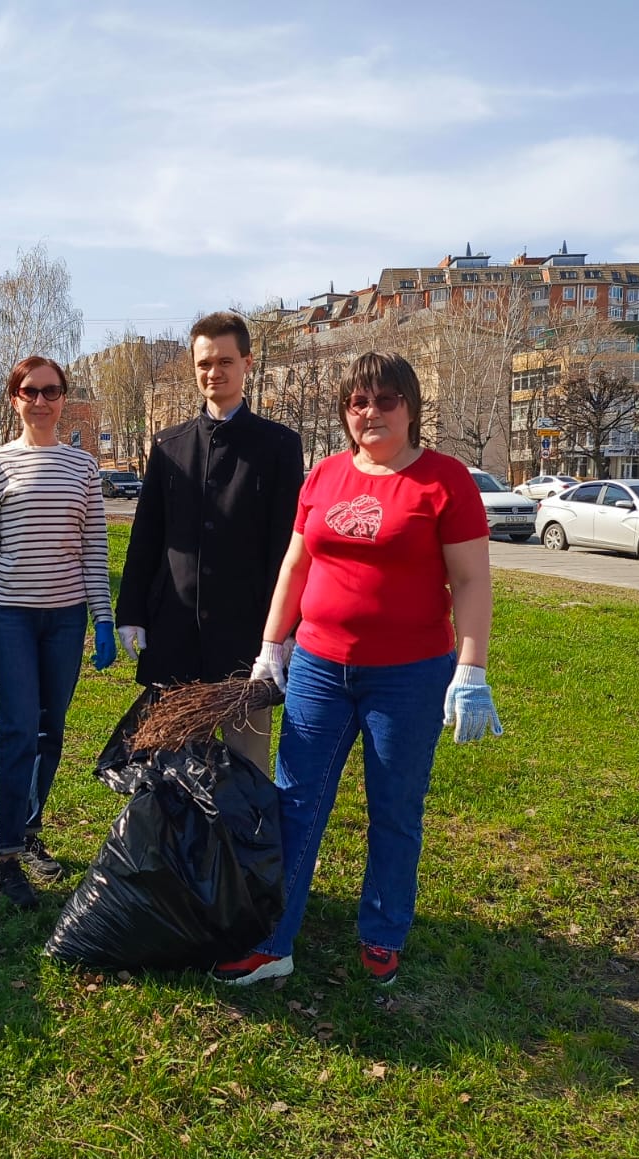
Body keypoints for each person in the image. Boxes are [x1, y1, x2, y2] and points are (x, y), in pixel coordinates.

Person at [212, 351, 501, 988]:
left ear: (411, 407)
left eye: (385, 400)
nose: (370, 412)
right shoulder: (324, 476)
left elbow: (472, 580)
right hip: (319, 668)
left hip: (407, 676)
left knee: (394, 809)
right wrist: (272, 646)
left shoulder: (444, 481)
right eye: (357, 402)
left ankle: (382, 933)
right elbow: (297, 565)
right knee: (295, 801)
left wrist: (471, 668)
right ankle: (272, 940)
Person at [114, 311, 304, 775]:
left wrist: (287, 629)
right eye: (204, 363)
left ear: (247, 363)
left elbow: (289, 546)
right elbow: (147, 535)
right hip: (175, 631)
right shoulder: (169, 445)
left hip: (247, 636)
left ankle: (245, 828)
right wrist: (132, 612)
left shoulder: (279, 446)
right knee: (172, 771)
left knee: (247, 769)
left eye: (224, 361)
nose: (213, 372)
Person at [0, 355, 116, 909]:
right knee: (18, 730)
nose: (42, 401)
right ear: (15, 399)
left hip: (66, 619)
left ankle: (28, 831)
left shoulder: (83, 467)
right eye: (31, 391)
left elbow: (93, 549)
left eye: (52, 391)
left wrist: (102, 618)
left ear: (63, 398)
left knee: (52, 731)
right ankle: (4, 858)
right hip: (11, 619)